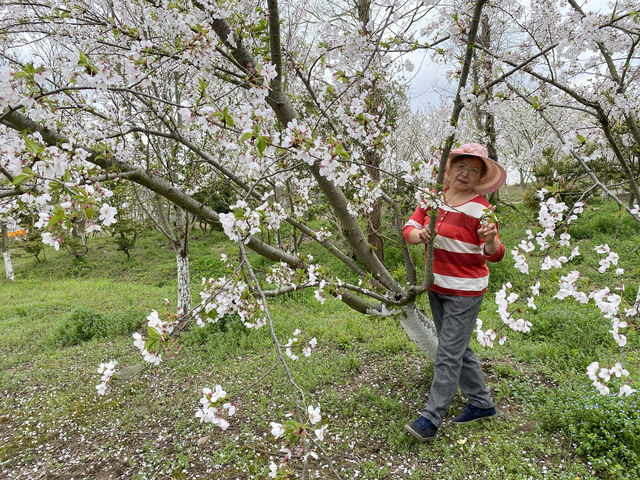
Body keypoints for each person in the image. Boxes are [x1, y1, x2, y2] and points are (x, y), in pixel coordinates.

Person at [403, 142, 507, 442]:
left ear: (480, 179)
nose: (465, 174)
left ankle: (431, 419)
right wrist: (419, 234)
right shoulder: (433, 198)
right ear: (449, 168)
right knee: (458, 346)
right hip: (436, 286)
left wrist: (489, 240)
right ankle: (482, 403)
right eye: (461, 166)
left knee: (448, 353)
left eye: (474, 171)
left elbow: (495, 253)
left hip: (465, 290)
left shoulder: (483, 210)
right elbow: (409, 228)